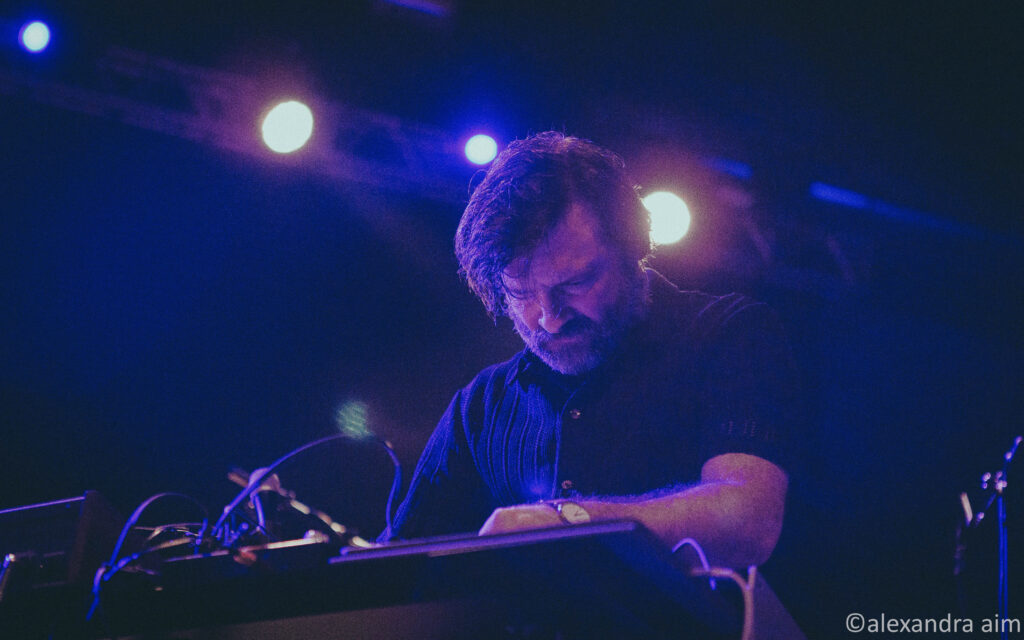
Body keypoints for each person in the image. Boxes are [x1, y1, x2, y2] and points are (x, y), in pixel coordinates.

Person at [383, 132, 799, 569]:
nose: (549, 318)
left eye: (575, 283)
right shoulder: (482, 406)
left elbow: (747, 521)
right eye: (521, 293)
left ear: (634, 246)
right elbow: (395, 572)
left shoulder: (728, 334)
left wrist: (566, 521)